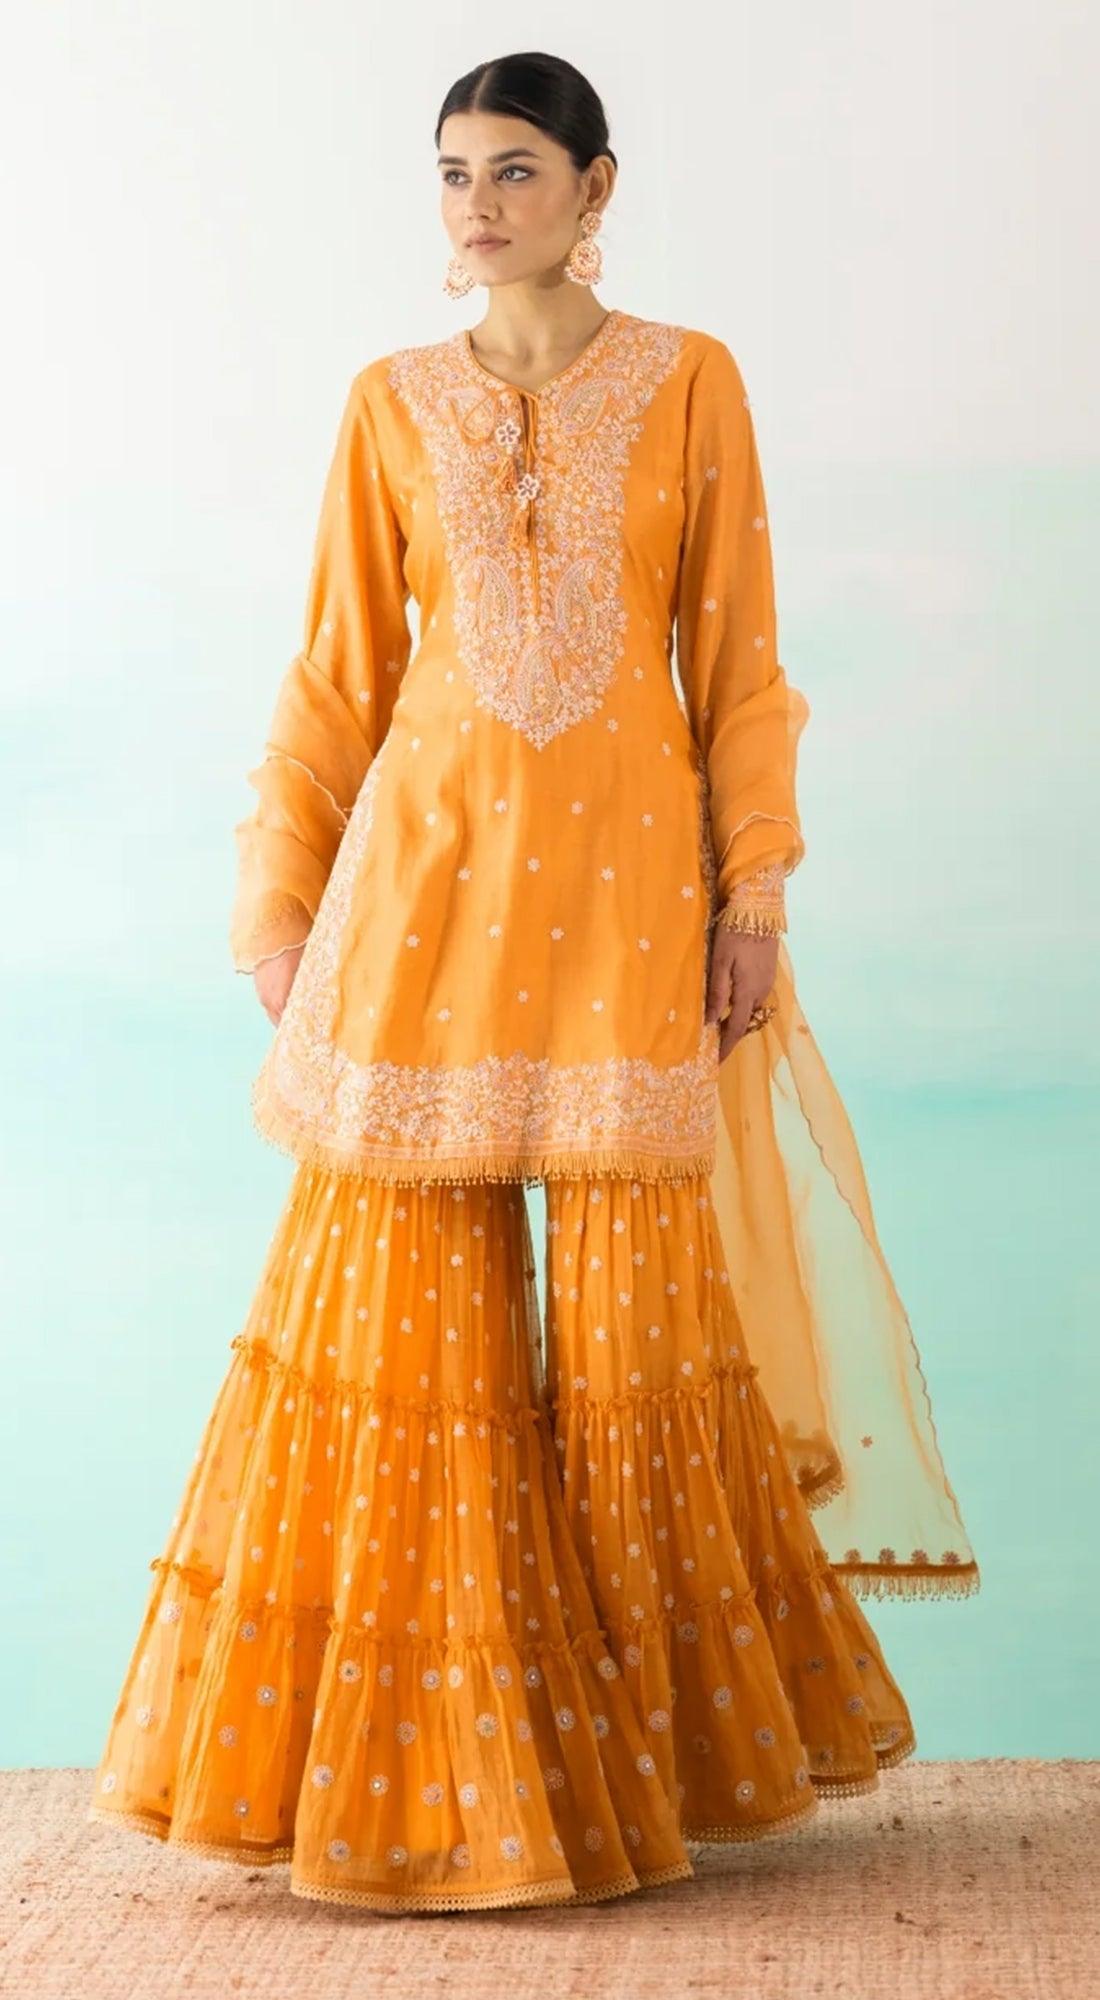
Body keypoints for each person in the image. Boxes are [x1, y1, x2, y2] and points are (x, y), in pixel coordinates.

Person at [86, 50, 979, 1914]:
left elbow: (740, 659)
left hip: (632, 906)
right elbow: (338, 673)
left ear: (595, 187)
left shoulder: (690, 381)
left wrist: (755, 889)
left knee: (640, 1331)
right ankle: (445, 1783)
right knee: (417, 1340)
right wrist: (277, 910)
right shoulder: (388, 403)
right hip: (419, 900)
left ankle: (646, 1767)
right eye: (452, 173)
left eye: (513, 169)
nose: (477, 205)